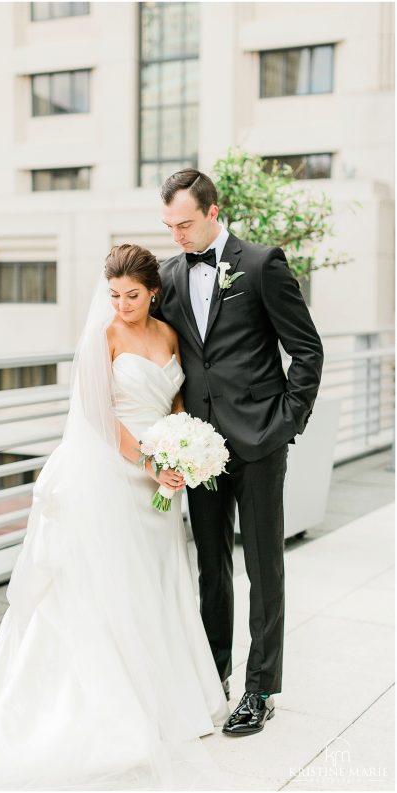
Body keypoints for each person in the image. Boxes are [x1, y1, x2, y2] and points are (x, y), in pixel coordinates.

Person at [0, 244, 229, 791]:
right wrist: (153, 462)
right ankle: (109, 703)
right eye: (113, 295)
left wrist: (181, 449)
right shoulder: (103, 335)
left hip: (159, 478)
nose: (122, 304)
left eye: (132, 295)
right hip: (111, 475)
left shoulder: (169, 334)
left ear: (153, 291)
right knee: (108, 587)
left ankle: (166, 696)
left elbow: (175, 401)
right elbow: (98, 414)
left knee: (152, 582)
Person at [155, 168, 324, 736]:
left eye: (184, 224)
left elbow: (306, 349)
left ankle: (260, 688)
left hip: (259, 440)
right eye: (169, 226)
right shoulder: (170, 276)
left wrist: (286, 423)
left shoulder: (260, 264)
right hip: (197, 448)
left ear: (212, 211)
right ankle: (213, 677)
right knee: (211, 566)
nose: (176, 235)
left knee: (263, 567)